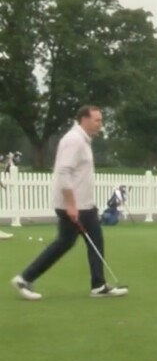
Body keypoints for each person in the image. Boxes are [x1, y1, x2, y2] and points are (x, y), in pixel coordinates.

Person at [10, 105, 127, 301]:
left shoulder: (82, 140)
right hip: (75, 206)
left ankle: (98, 285)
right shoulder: (73, 140)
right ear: (84, 119)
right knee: (66, 242)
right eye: (97, 120)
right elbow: (63, 172)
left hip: (84, 205)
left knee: (85, 240)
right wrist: (71, 204)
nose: (100, 124)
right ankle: (24, 278)